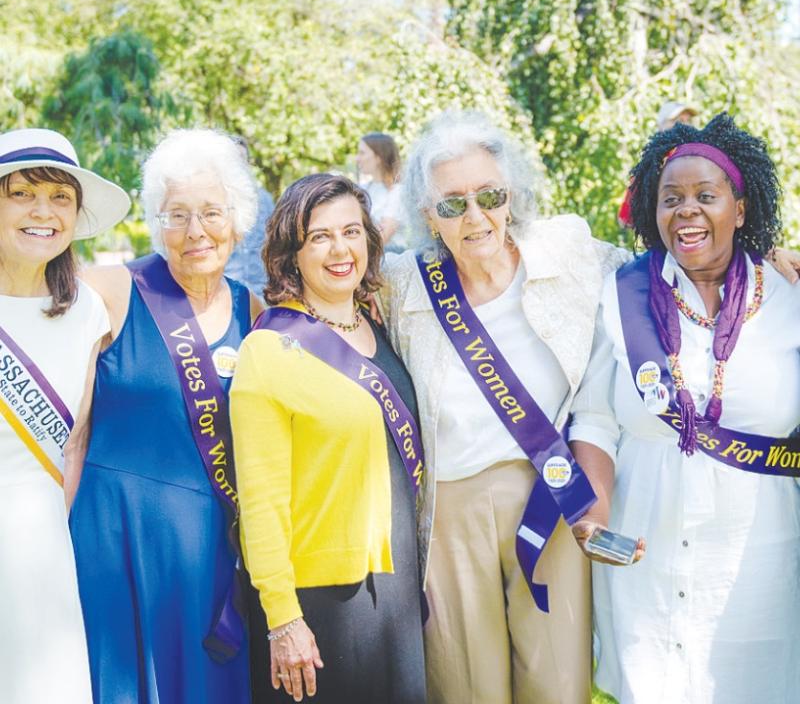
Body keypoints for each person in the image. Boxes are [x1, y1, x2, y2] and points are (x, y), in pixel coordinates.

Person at [379, 111, 629, 704]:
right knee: (465, 684)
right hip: (449, 509)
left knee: (556, 680)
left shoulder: (566, 249)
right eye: (452, 204)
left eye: (489, 195)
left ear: (510, 194)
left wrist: (766, 258)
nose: (475, 216)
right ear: (426, 215)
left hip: (551, 497)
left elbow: (660, 267)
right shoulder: (400, 283)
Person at [569, 113, 800, 703]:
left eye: (706, 196)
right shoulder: (621, 297)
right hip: (647, 560)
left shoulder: (789, 299)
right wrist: (591, 515)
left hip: (760, 565)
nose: (687, 210)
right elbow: (595, 417)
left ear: (740, 209)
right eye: (671, 198)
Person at [69, 128, 262, 703]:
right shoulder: (110, 291)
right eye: (177, 215)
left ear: (238, 217)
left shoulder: (257, 309)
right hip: (114, 543)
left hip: (209, 554)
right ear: (156, 222)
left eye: (211, 212)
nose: (195, 231)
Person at [231, 173, 426, 703]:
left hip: (398, 587)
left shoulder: (380, 328)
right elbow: (261, 502)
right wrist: (283, 618)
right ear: (292, 253)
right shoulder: (268, 350)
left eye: (351, 232)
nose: (340, 249)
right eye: (319, 237)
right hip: (321, 603)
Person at [0, 127, 130, 703]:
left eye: (59, 197)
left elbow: (74, 445)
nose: (41, 212)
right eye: (21, 193)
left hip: (44, 547)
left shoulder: (86, 312)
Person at [225, 135, 275, 296]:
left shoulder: (265, 200)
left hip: (261, 290)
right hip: (227, 291)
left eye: (242, 159)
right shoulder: (214, 203)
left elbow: (275, 245)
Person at [356, 132, 406, 252]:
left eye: (362, 153)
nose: (357, 159)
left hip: (389, 256)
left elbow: (383, 237)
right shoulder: (362, 189)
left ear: (379, 157)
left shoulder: (398, 192)